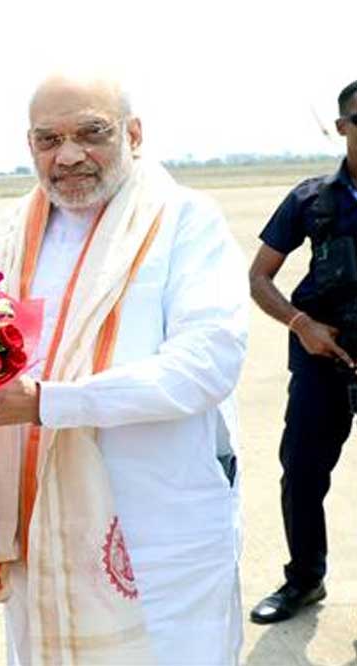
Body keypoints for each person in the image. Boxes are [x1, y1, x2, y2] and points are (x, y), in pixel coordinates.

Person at [0, 70, 249, 664]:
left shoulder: (185, 221)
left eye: (91, 133)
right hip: (38, 525)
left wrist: (47, 403)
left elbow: (206, 365)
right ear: (30, 146)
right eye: (49, 140)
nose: (69, 155)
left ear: (134, 134)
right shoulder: (9, 233)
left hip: (158, 529)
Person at [248, 79, 357, 625]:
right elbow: (260, 277)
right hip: (322, 356)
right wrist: (301, 324)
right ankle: (304, 580)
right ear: (341, 127)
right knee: (302, 472)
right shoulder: (310, 199)